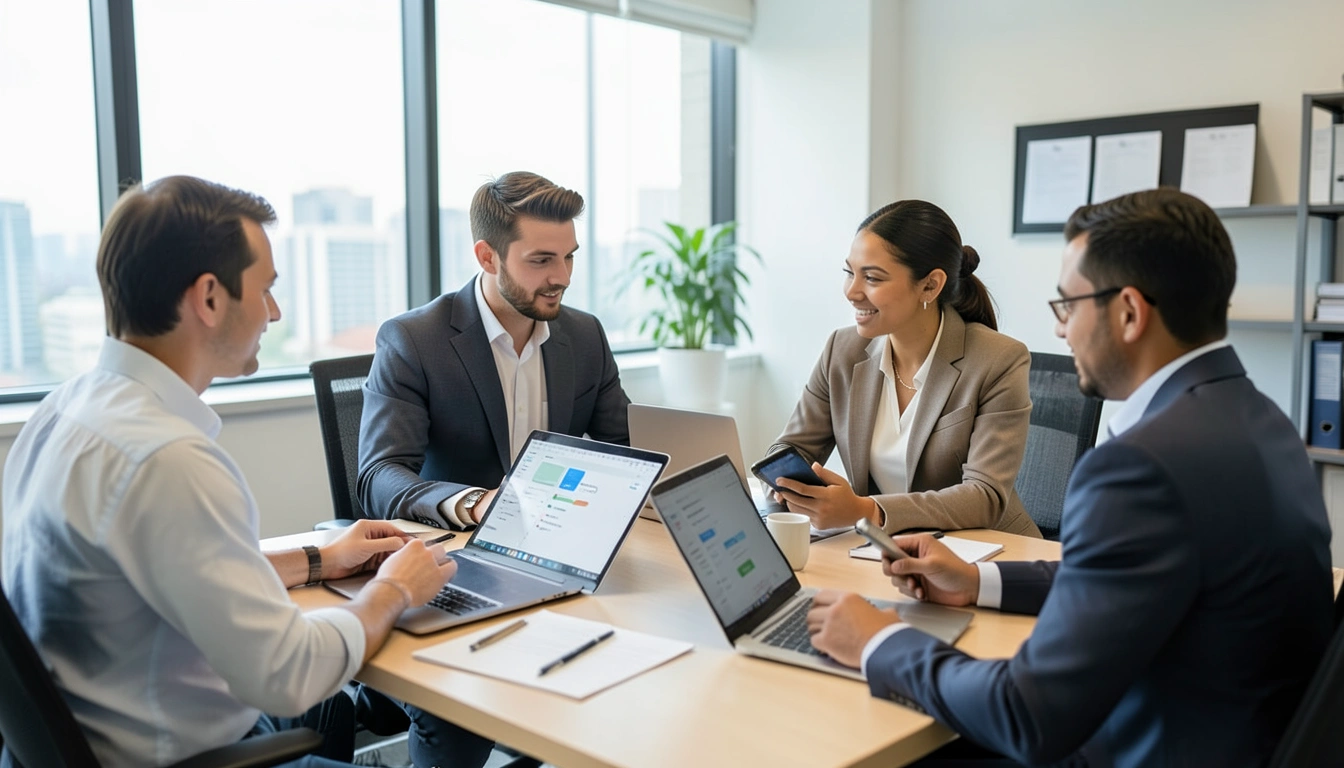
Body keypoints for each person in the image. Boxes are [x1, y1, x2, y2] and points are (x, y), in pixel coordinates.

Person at [805, 188, 1334, 767]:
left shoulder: (1140, 468)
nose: (1060, 332)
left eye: (1068, 306)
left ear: (1129, 312)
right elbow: (1133, 576)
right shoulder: (1262, 421)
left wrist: (877, 641)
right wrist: (979, 582)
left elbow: (1026, 716)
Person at [0, 176, 458, 768]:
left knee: (329, 714)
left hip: (94, 733)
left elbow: (168, 572)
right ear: (210, 298)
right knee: (318, 701)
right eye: (265, 288)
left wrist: (320, 559)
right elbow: (291, 672)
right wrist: (395, 588)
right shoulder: (168, 460)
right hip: (176, 754)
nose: (274, 311)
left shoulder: (68, 408)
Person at [357, 171, 631, 767]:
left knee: (632, 679)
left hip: (561, 564)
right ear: (487, 255)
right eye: (540, 260)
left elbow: (622, 444)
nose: (560, 276)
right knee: (457, 719)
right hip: (457, 567)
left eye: (568, 257)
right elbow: (379, 475)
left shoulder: (583, 336)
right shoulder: (414, 340)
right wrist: (476, 503)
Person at [769, 200, 1040, 537]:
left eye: (871, 277)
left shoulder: (999, 360)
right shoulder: (842, 350)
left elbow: (984, 496)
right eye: (849, 273)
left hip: (986, 555)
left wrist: (866, 510)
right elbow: (792, 448)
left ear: (930, 285)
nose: (852, 292)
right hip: (885, 551)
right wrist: (785, 482)